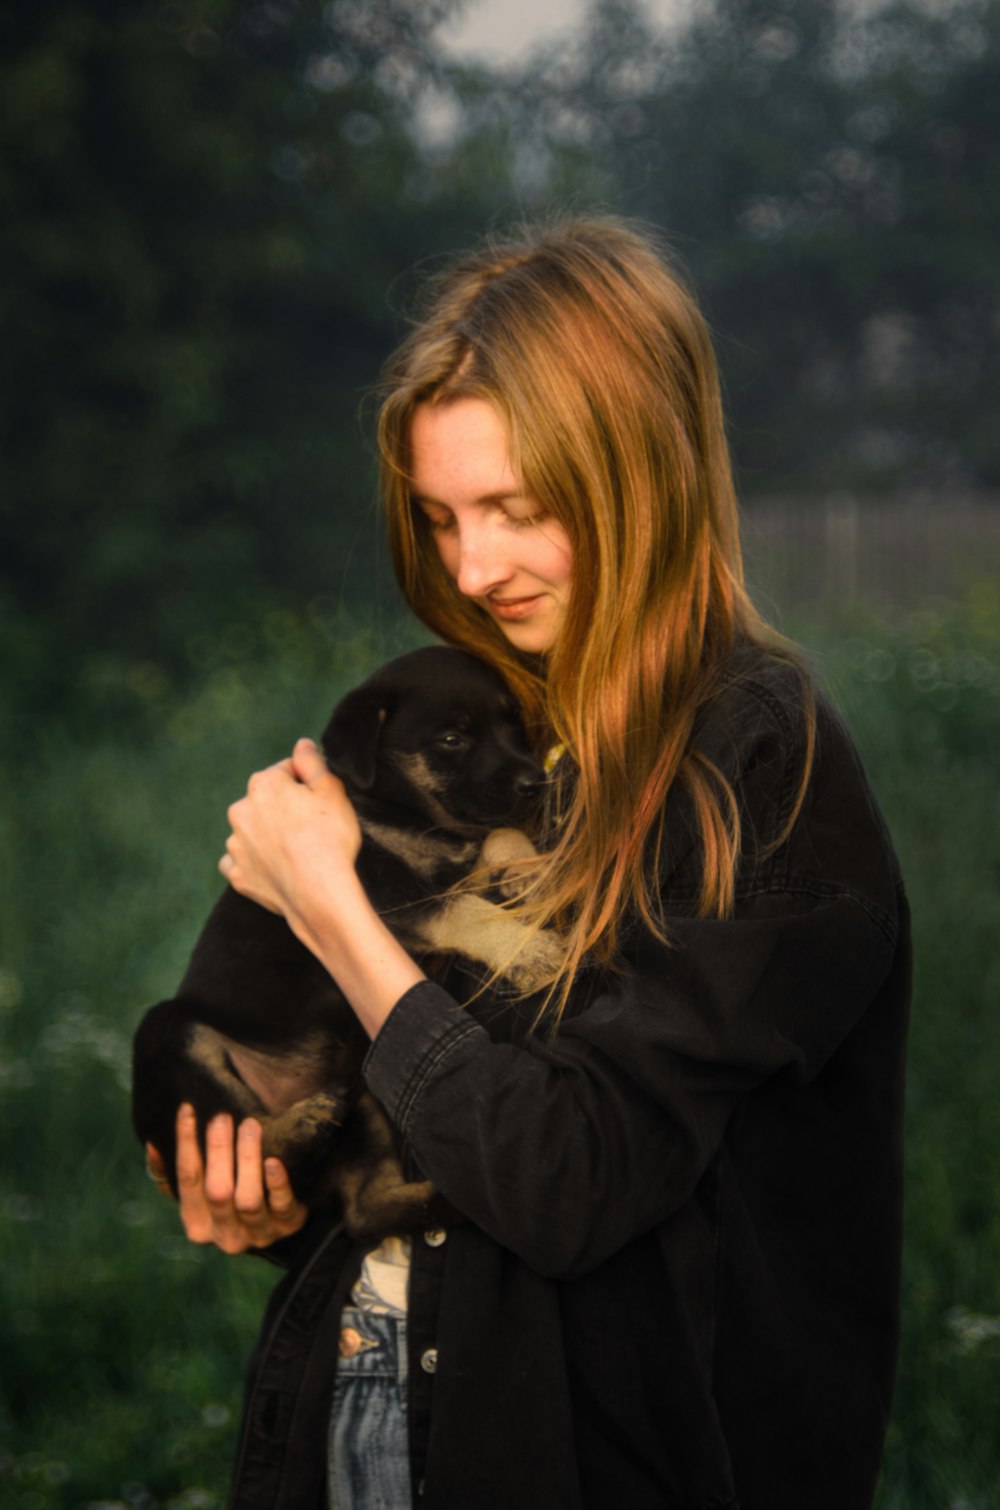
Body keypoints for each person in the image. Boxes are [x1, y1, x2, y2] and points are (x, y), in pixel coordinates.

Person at [149, 217, 909, 1510]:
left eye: (516, 508)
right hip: (367, 1390)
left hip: (595, 1458)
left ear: (640, 475)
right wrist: (280, 1184)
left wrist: (332, 902)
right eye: (444, 517)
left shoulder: (759, 772)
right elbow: (438, 1128)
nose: (472, 566)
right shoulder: (493, 720)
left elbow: (568, 1184)